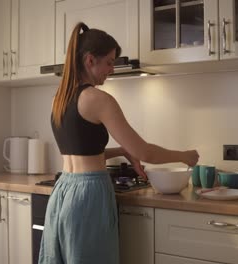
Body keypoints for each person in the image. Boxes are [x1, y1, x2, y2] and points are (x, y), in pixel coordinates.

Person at [39, 22, 200, 264]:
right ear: (90, 60)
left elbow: (85, 153)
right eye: (109, 62)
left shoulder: (59, 99)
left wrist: (122, 150)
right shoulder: (99, 99)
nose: (112, 70)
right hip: (88, 196)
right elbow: (145, 152)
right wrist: (184, 156)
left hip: (62, 192)